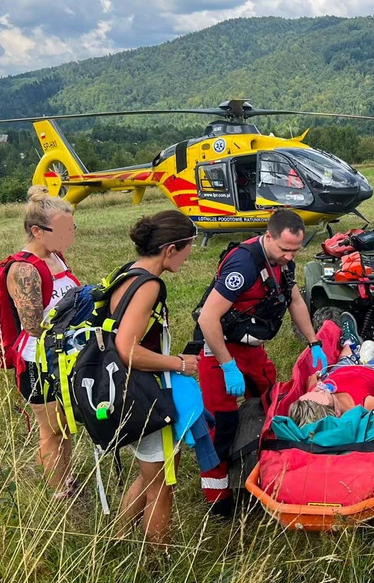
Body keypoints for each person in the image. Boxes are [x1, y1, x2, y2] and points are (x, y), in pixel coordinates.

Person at [195, 209, 327, 511]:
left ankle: (258, 471)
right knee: (222, 424)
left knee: (271, 403)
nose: (289, 256)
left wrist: (314, 341)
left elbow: (293, 300)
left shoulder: (284, 263)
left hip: (252, 348)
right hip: (219, 347)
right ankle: (219, 500)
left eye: (295, 250)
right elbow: (208, 318)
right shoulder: (243, 264)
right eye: (284, 249)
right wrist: (227, 365)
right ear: (268, 237)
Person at [112, 210, 199, 546]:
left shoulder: (127, 274)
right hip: (144, 394)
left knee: (150, 476)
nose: (190, 256)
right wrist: (178, 363)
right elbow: (127, 350)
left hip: (130, 391)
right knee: (163, 486)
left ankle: (119, 539)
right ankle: (156, 566)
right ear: (170, 249)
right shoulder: (148, 286)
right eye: (188, 247)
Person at [6, 185, 80, 498]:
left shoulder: (56, 258)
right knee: (52, 429)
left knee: (65, 425)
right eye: (64, 229)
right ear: (37, 231)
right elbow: (34, 325)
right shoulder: (24, 269)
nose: (70, 234)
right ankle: (59, 494)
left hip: (66, 355)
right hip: (39, 361)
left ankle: (66, 478)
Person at [289, 316, 374, 426]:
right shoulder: (363, 405)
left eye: (309, 394)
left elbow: (312, 384)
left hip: (340, 372)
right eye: (321, 392)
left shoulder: (313, 397)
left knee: (344, 359)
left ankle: (349, 342)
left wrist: (314, 380)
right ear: (337, 413)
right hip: (372, 374)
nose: (317, 388)